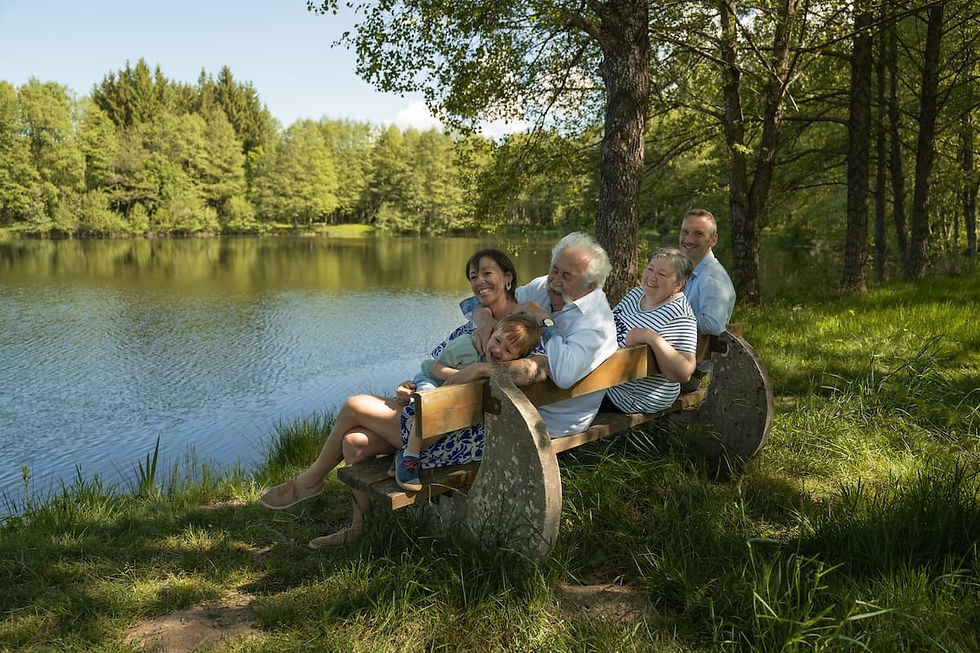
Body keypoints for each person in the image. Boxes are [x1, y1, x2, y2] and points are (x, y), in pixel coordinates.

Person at [256, 248, 522, 548]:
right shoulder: (473, 324)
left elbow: (513, 374)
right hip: (435, 414)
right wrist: (409, 388)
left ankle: (309, 481)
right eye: (474, 277)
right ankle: (360, 528)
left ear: (508, 277)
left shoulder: (516, 332)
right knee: (354, 442)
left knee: (354, 405)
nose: (479, 282)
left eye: (487, 273)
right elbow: (432, 364)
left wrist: (470, 370)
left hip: (455, 431)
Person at [451, 231, 619, 438]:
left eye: (567, 276)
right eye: (554, 270)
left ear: (590, 286)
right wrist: (483, 316)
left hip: (552, 420)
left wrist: (545, 322)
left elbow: (563, 376)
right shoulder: (542, 286)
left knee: (430, 425)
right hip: (516, 400)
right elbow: (496, 300)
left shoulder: (597, 323)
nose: (555, 281)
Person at [391, 313, 541, 492]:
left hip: (453, 395)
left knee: (442, 405)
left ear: (517, 358)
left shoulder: (497, 368)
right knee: (430, 405)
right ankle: (410, 457)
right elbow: (433, 366)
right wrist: (458, 377)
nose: (498, 350)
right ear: (491, 334)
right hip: (433, 380)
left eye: (508, 350)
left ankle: (404, 456)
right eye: (498, 340)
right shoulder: (465, 345)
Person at [604, 248, 699, 414]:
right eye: (650, 269)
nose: (652, 277)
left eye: (662, 274)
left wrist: (650, 337)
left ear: (679, 284)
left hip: (630, 396)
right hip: (608, 378)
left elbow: (684, 373)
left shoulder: (680, 316)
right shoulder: (636, 294)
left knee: (559, 387)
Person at [679, 209, 736, 336]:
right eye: (685, 232)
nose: (689, 240)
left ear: (713, 240)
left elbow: (713, 325)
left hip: (695, 355)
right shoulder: (689, 271)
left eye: (698, 234)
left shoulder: (712, 277)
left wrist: (670, 320)